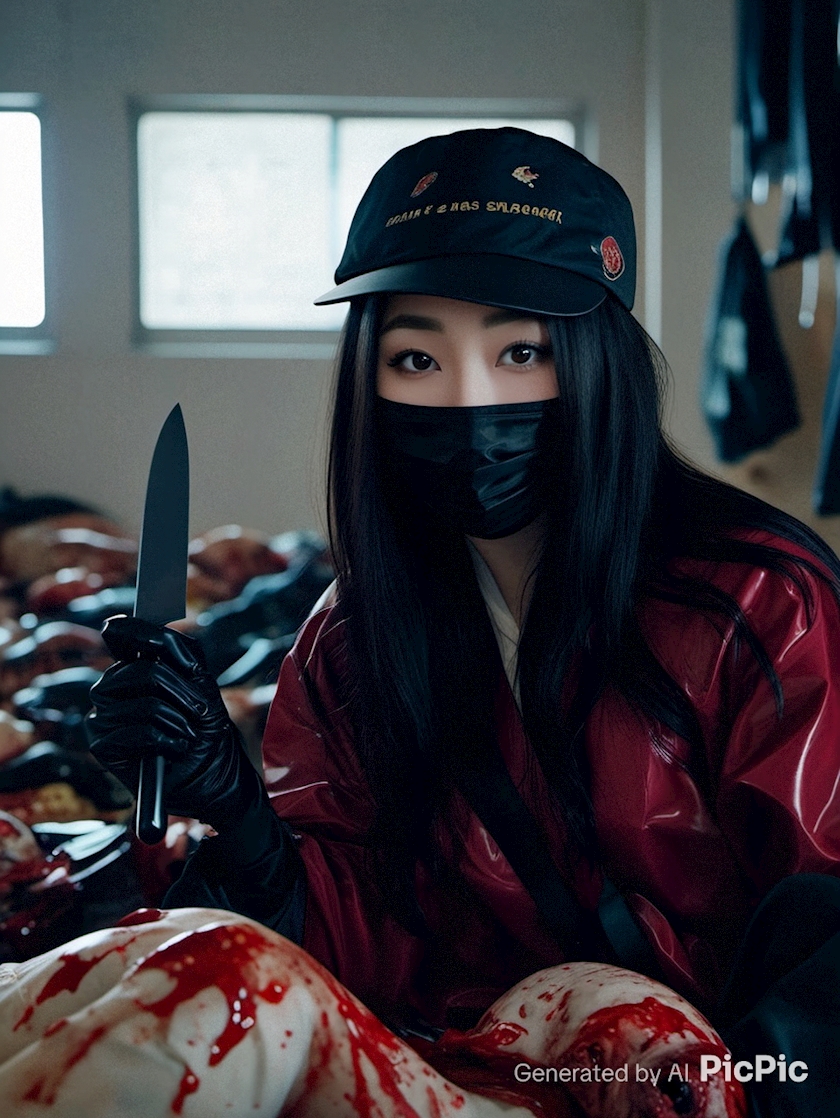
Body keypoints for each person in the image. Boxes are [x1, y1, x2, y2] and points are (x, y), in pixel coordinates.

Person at [77, 128, 840, 1115]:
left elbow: (825, 931)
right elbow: (362, 959)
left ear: (598, 357)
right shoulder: (350, 643)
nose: (471, 401)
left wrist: (738, 1092)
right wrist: (236, 808)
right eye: (416, 357)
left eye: (520, 350)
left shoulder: (759, 603)